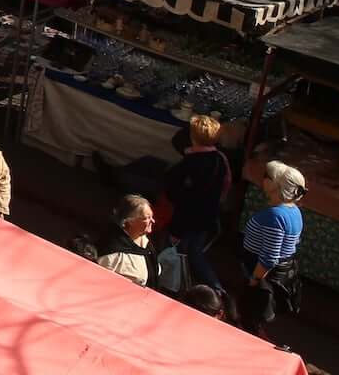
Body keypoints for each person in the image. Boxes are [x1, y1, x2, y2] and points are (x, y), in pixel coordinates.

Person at [162, 114, 234, 295]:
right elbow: (226, 186)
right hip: (207, 215)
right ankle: (216, 288)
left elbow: (174, 192)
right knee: (195, 253)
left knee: (173, 252)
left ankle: (170, 286)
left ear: (193, 137)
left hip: (185, 217)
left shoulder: (188, 164)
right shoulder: (220, 159)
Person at [241, 161, 306, 339]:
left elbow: (269, 257)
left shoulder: (275, 216)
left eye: (266, 177)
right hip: (275, 272)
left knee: (249, 322)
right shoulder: (294, 211)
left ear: (275, 185)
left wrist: (254, 281)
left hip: (261, 275)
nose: (263, 179)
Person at [97, 195, 155, 287]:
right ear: (129, 221)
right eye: (146, 218)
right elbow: (99, 283)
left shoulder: (145, 243)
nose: (153, 221)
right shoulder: (112, 253)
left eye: (151, 216)